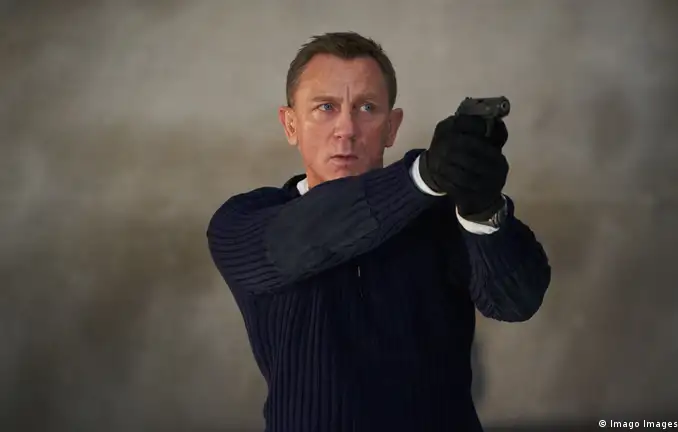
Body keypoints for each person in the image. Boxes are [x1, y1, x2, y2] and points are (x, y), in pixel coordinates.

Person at [206, 31, 551, 432]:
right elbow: (295, 241)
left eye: (366, 107)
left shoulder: (443, 215)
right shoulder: (242, 221)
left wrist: (482, 207)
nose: (346, 129)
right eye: (325, 107)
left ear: (391, 127)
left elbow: (516, 302)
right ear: (290, 124)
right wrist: (422, 176)